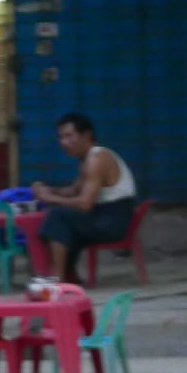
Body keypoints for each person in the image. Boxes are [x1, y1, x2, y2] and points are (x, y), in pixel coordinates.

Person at [32, 113, 138, 285]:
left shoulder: (97, 159)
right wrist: (48, 190)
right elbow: (73, 191)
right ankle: (69, 276)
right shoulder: (86, 159)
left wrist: (51, 198)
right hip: (103, 216)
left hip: (112, 221)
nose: (63, 143)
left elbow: (84, 204)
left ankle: (58, 279)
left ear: (86, 135)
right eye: (61, 137)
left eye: (69, 136)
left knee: (57, 216)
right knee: (63, 219)